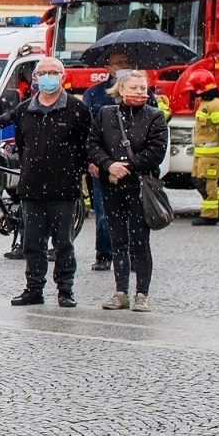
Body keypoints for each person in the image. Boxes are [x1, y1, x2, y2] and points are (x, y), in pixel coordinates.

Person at [0, 57, 91, 308]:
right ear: (35, 78)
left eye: (53, 72)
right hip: (31, 187)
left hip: (64, 188)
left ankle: (65, 290)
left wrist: (77, 171)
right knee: (33, 243)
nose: (48, 77)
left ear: (63, 77)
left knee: (63, 243)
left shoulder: (77, 110)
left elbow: (85, 146)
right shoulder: (24, 110)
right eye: (42, 72)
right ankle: (34, 288)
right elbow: (22, 146)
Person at [86, 70, 168, 311]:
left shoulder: (155, 116)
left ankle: (142, 294)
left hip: (139, 185)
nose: (139, 92)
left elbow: (156, 151)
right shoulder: (105, 114)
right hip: (110, 185)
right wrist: (108, 165)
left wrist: (127, 167)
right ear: (121, 90)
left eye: (143, 88)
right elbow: (92, 144)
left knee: (140, 241)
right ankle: (121, 292)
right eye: (134, 88)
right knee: (117, 240)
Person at [81, 51, 131, 268]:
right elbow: (88, 132)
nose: (123, 66)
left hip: (131, 164)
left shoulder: (141, 92)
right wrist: (92, 160)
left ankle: (130, 255)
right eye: (118, 63)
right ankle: (104, 255)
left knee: (132, 215)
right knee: (103, 215)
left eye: (127, 63)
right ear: (108, 68)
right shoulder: (94, 94)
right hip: (102, 163)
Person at [189, 73, 219, 226]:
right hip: (201, 153)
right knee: (198, 181)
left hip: (212, 153)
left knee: (208, 182)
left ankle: (210, 215)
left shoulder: (215, 104)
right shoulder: (205, 103)